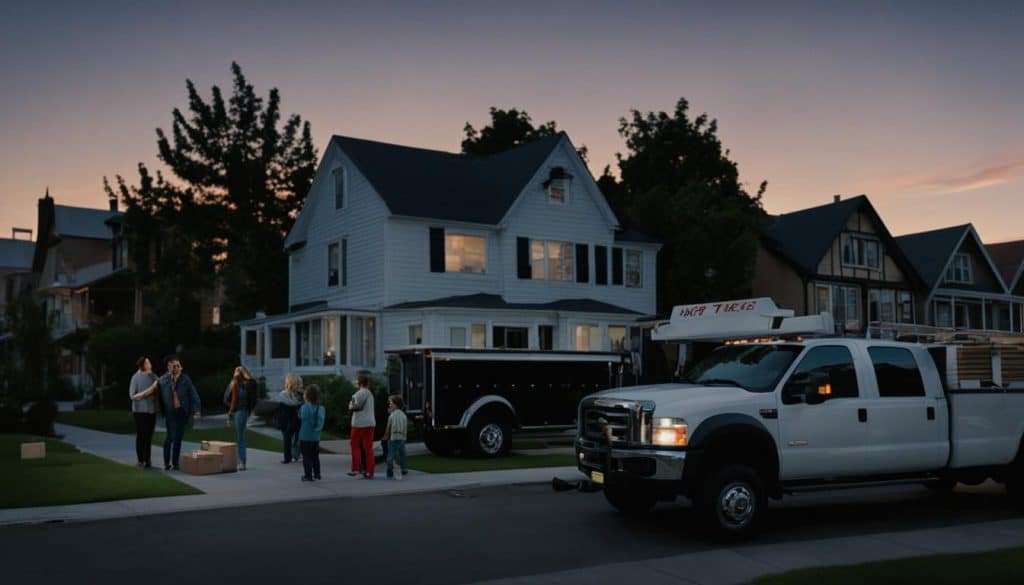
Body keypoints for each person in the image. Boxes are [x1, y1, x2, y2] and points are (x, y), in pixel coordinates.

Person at [156, 355, 201, 470]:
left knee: (178, 438)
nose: (176, 368)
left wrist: (196, 410)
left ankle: (175, 463)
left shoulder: (186, 379)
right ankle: (167, 462)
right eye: (173, 366)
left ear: (181, 367)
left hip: (182, 412)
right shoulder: (163, 380)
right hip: (170, 413)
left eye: (178, 366)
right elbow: (158, 396)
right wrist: (159, 410)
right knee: (169, 437)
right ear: (169, 367)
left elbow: (193, 395)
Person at [128, 357, 160, 468]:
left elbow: (158, 390)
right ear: (143, 365)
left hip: (151, 411)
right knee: (142, 435)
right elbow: (132, 396)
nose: (150, 363)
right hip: (140, 411)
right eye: (147, 362)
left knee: (149, 436)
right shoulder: (135, 378)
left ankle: (147, 460)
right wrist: (149, 390)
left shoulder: (153, 376)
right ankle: (141, 460)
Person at [226, 365, 258, 471]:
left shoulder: (236, 383)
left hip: (239, 411)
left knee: (240, 438)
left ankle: (242, 462)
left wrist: (230, 413)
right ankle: (241, 462)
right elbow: (253, 400)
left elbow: (231, 399)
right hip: (244, 411)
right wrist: (250, 412)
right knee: (241, 437)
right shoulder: (251, 383)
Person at [348, 372, 376, 479]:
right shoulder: (370, 394)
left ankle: (355, 469)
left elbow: (353, 407)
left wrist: (350, 405)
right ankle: (370, 471)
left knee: (354, 445)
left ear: (359, 383)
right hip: (370, 423)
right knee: (368, 448)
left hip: (359, 423)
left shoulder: (357, 394)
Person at [299, 384, 325, 482]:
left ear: (306, 396)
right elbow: (321, 423)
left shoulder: (304, 407)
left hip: (305, 436)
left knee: (306, 456)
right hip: (315, 436)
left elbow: (301, 418)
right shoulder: (321, 408)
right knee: (315, 456)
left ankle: (308, 475)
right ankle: (317, 473)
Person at [277, 373, 303, 463]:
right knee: (293, 439)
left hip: (290, 420)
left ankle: (290, 456)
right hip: (293, 420)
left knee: (290, 439)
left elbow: (282, 409)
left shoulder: (284, 395)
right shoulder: (299, 395)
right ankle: (292, 456)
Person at [383, 394, 409, 480]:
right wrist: (405, 437)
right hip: (401, 438)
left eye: (391, 403)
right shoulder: (404, 416)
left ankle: (390, 471)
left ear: (396, 404)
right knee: (402, 454)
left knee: (390, 455)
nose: (389, 405)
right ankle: (404, 469)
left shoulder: (392, 415)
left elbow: (388, 428)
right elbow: (405, 428)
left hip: (393, 439)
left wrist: (385, 437)